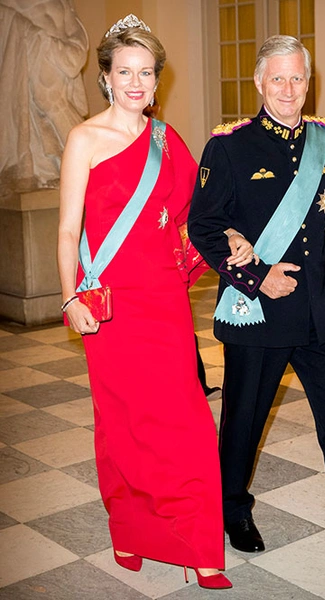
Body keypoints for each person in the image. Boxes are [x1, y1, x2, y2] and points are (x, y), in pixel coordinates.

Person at [188, 35, 325, 572]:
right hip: (259, 313)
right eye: (278, 78)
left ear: (309, 83)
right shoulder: (229, 146)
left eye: (297, 78)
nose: (288, 89)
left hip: (317, 309)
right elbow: (204, 226)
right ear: (259, 82)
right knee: (243, 422)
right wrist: (257, 277)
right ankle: (232, 511)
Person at [57, 14, 248, 589]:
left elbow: (197, 214)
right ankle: (131, 532)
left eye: (146, 72)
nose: (136, 83)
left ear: (157, 79)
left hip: (162, 301)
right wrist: (68, 298)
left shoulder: (168, 141)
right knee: (122, 424)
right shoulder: (84, 139)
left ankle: (200, 546)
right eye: (125, 72)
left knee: (185, 419)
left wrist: (229, 235)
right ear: (106, 78)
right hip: (109, 304)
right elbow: (67, 229)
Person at [0, 0, 88, 194]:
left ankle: (86, 162)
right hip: (30, 51)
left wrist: (73, 49)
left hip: (57, 55)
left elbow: (74, 29)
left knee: (55, 104)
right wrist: (31, 32)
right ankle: (59, 168)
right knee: (44, 105)